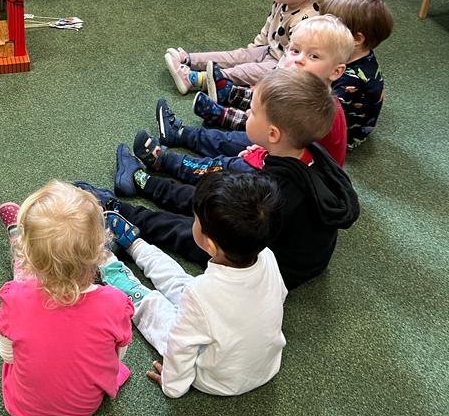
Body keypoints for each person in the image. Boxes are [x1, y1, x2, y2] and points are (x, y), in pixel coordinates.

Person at [80, 69, 360, 289]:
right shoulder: (311, 153)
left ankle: (120, 209)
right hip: (305, 257)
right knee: (215, 191)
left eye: (253, 112)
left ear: (273, 134)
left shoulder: (270, 192)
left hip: (268, 265)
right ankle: (143, 182)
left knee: (193, 228)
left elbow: (208, 206)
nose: (247, 114)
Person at [99, 173, 286, 398]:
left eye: (195, 220)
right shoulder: (268, 256)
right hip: (263, 366)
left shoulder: (201, 294)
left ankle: (110, 266)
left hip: (217, 379)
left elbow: (180, 347)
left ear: (210, 245)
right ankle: (137, 245)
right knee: (185, 286)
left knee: (155, 308)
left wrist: (173, 386)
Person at [0, 181, 135, 416]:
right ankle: (17, 233)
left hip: (22, 406)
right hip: (83, 407)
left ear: (29, 256)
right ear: (100, 248)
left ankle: (17, 234)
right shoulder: (115, 303)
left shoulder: (15, 297)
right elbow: (117, 357)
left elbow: (8, 356)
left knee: (24, 290)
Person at [181, 14, 354, 166]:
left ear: (336, 71)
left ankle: (184, 137)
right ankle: (215, 113)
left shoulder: (316, 108)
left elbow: (290, 152)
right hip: (283, 148)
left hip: (297, 172)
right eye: (295, 51)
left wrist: (260, 151)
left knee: (230, 149)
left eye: (314, 56)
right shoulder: (301, 89)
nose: (299, 59)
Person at [165, 0, 332, 88]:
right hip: (270, 49)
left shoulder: (306, 21)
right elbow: (269, 26)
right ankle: (189, 59)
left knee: (244, 71)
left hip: (282, 66)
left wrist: (263, 73)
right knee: (235, 56)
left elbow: (293, 59)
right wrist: (253, 50)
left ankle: (196, 80)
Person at [320, 0, 394, 149]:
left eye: (331, 27)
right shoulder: (359, 54)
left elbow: (325, 114)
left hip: (345, 136)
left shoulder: (351, 80)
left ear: (356, 39)